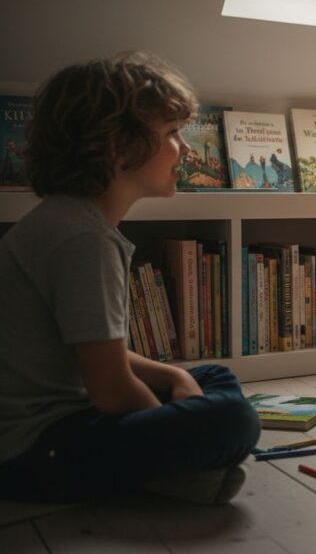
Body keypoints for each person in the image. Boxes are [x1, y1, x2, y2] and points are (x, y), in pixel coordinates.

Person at [0, 53, 260, 503]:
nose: (186, 149)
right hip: (35, 451)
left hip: (63, 420)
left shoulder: (74, 222)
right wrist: (171, 427)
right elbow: (111, 389)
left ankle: (173, 471)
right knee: (235, 420)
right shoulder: (82, 240)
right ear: (117, 147)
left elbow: (101, 353)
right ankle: (173, 474)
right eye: (172, 134)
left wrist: (172, 382)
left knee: (213, 375)